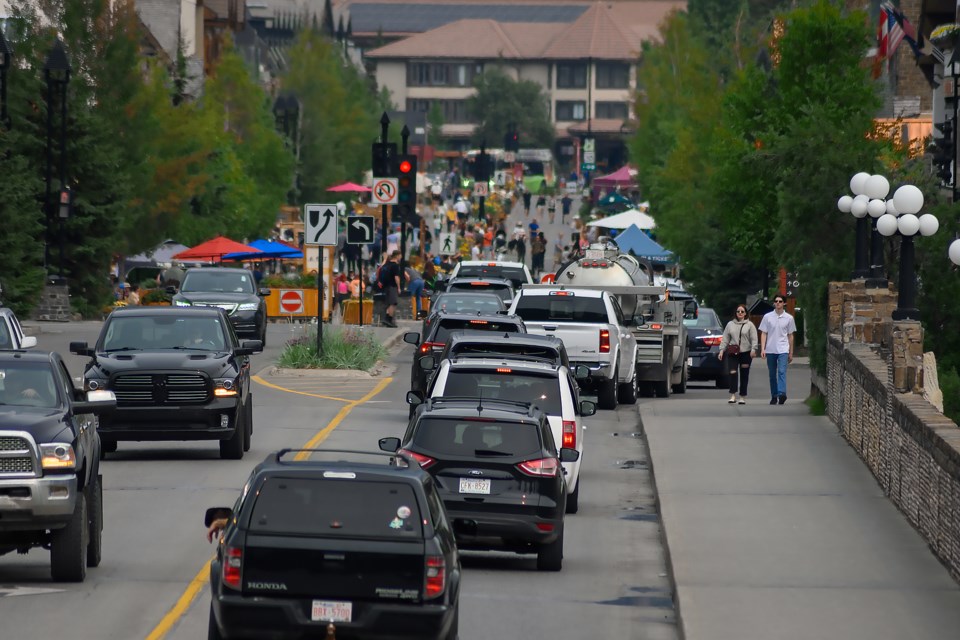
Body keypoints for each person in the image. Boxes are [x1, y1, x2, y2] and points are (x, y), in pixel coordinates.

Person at [718, 304, 759, 404]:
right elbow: (725, 338)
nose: (740, 313)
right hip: (733, 352)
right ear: (735, 313)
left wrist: (754, 349)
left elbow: (754, 338)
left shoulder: (750, 325)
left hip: (746, 353)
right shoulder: (730, 324)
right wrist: (721, 350)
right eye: (738, 311)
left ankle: (742, 396)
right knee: (732, 372)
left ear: (745, 313)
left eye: (742, 311)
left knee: (744, 374)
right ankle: (732, 395)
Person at [759, 296, 796, 405]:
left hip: (783, 349)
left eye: (780, 301)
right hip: (770, 349)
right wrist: (763, 348)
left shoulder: (789, 318)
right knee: (772, 374)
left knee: (781, 372)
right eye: (776, 301)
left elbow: (790, 335)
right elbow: (764, 333)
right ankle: (774, 395)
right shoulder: (767, 317)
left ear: (784, 303)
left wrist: (791, 352)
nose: (778, 303)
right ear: (774, 303)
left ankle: (781, 393)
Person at [378, 250, 403, 328]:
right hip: (392, 286)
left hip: (386, 286)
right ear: (397, 255)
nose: (401, 257)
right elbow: (396, 277)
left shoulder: (387, 264)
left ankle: (387, 318)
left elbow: (380, 269)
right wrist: (399, 287)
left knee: (389, 303)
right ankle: (388, 319)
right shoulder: (395, 265)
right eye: (400, 256)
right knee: (393, 303)